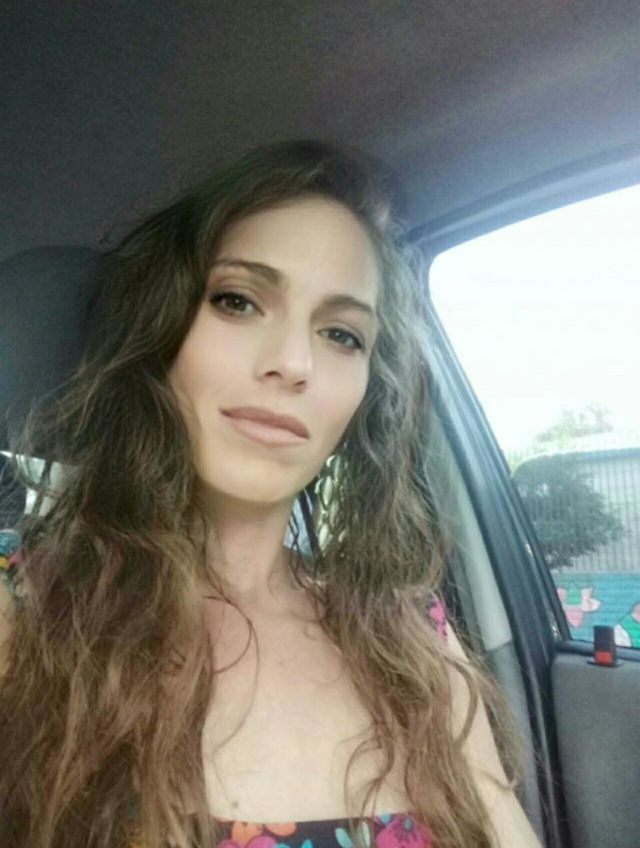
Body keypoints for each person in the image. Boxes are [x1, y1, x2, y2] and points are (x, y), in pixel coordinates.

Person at [0, 140, 542, 848]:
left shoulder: (415, 640)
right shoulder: (24, 612)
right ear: (159, 333)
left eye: (342, 334)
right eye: (237, 301)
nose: (294, 363)